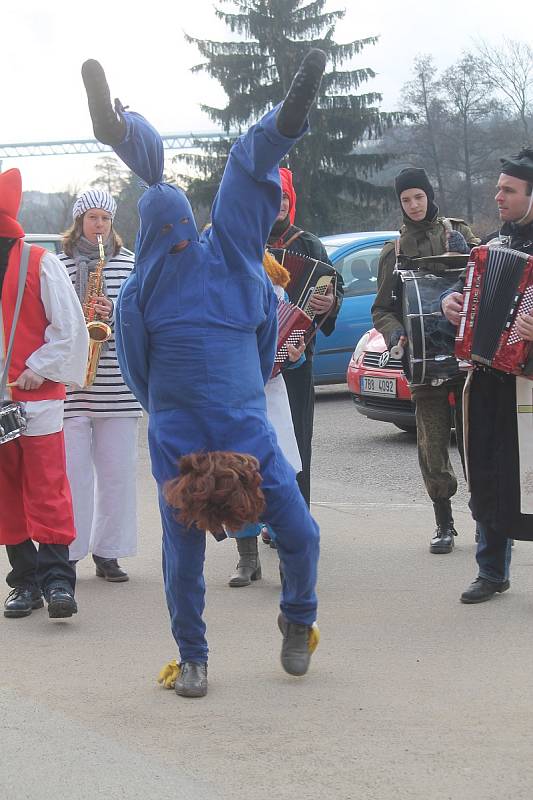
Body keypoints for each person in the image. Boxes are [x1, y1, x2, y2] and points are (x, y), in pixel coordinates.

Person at [81, 50, 326, 697]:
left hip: (239, 420)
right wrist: (167, 409)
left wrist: (239, 394)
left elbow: (261, 339)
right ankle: (192, 655)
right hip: (179, 430)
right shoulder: (145, 286)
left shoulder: (240, 264)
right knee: (182, 553)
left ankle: (297, 618)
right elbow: (136, 368)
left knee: (298, 530)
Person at [372, 167, 479, 554]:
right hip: (421, 362)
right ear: (400, 204)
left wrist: (466, 252)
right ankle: (444, 523)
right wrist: (394, 333)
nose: (413, 205)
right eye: (405, 200)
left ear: (429, 195)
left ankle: (484, 519)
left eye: (418, 197)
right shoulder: (394, 251)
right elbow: (382, 309)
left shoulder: (460, 234)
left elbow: (483, 282)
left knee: (474, 443)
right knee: (431, 445)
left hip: (465, 358)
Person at [442, 148, 533, 602]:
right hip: (486, 380)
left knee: (530, 475)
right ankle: (492, 571)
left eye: (508, 190)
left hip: (529, 384)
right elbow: (465, 294)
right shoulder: (492, 248)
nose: (497, 196)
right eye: (498, 188)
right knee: (486, 470)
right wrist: (450, 303)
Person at [0, 168, 89, 620]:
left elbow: (70, 330)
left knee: (47, 486)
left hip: (37, 399)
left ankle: (57, 581)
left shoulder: (39, 262)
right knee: (4, 491)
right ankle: (24, 583)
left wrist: (38, 367)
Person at [60, 189, 142, 582]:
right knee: (72, 476)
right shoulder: (57, 263)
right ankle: (70, 551)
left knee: (117, 474)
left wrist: (117, 309)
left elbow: (143, 314)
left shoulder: (128, 263)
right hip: (73, 386)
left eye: (105, 218)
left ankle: (109, 553)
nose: (99, 225)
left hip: (118, 386)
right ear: (79, 221)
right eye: (91, 217)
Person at [267, 167, 344, 507]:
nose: (279, 203)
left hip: (298, 354)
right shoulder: (246, 240)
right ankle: (264, 514)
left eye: (284, 197)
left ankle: (296, 514)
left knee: (298, 437)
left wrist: (328, 303)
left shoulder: (309, 243)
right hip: (255, 358)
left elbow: (332, 285)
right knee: (263, 438)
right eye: (273, 196)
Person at [228, 250, 304, 587]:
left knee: (277, 473)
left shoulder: (276, 284)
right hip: (233, 392)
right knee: (237, 475)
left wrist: (293, 355)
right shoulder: (217, 281)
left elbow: (291, 339)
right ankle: (247, 559)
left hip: (270, 391)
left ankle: (287, 556)